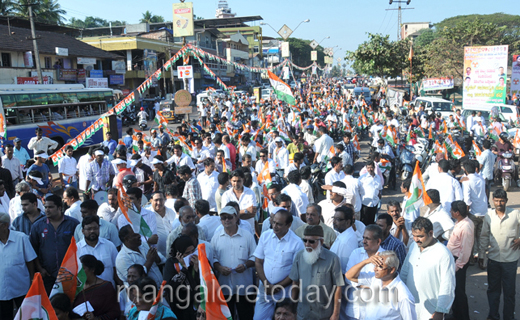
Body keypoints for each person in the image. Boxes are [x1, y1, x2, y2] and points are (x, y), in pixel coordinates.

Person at [253, 209, 305, 320]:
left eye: (279, 224)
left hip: (285, 292)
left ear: (289, 225)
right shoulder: (265, 236)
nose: (275, 226)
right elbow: (258, 261)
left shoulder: (297, 243)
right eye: (274, 222)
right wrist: (266, 284)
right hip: (265, 289)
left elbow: (296, 271)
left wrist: (278, 286)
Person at [401, 217, 456, 320]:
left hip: (431, 312)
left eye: (420, 236)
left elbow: (447, 285)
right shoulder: (413, 246)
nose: (416, 240)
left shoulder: (443, 254)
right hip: (411, 307)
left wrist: (440, 311)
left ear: (431, 233)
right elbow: (405, 271)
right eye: (414, 236)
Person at [478, 189, 520, 320]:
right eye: (496, 200)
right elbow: (484, 236)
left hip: (510, 261)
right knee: (493, 291)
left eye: (501, 200)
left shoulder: (515, 214)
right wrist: (481, 255)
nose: (499, 203)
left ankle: (508, 317)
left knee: (509, 292)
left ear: (506, 201)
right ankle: (493, 316)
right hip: (493, 259)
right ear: (493, 201)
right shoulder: (489, 216)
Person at [211, 205, 257, 319]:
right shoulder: (216, 237)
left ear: (236, 218)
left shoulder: (247, 236)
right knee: (227, 316)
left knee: (246, 316)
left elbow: (255, 256)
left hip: (244, 286)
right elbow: (213, 258)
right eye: (223, 218)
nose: (226, 220)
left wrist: (246, 266)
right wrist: (219, 268)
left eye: (229, 217)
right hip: (224, 286)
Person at [289, 225, 344, 320]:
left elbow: (338, 287)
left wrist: (336, 314)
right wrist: (292, 309)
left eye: (311, 241)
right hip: (303, 314)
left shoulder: (333, 259)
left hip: (323, 315)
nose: (307, 244)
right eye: (305, 240)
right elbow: (295, 283)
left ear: (321, 242)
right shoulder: (299, 256)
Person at [345, 250, 417, 320]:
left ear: (392, 270)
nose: (374, 269)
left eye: (379, 266)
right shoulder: (375, 279)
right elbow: (349, 276)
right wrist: (366, 261)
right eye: (374, 265)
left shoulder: (403, 295)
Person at [30, 194, 79, 294]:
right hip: (47, 274)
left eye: (51, 207)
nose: (47, 210)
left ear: (59, 208)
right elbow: (32, 250)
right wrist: (40, 268)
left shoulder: (73, 224)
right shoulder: (38, 226)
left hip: (69, 273)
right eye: (46, 207)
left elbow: (79, 247)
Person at [0, 212, 37, 320]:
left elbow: (30, 260)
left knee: (25, 315)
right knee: (4, 316)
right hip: (2, 288)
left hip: (21, 285)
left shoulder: (21, 238)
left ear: (5, 225)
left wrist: (31, 280)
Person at [344, 225, 385, 320]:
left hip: (375, 311)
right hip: (354, 310)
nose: (363, 241)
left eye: (368, 239)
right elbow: (348, 279)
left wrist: (358, 282)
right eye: (363, 238)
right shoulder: (356, 253)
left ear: (378, 241)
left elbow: (382, 285)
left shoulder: (385, 257)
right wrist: (366, 262)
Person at [447, 201, 474, 320]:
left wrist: (457, 266)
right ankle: (456, 314)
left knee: (459, 292)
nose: (450, 212)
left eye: (452, 210)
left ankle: (463, 317)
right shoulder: (460, 223)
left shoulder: (466, 226)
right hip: (455, 259)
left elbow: (466, 249)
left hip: (459, 261)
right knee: (454, 290)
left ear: (457, 213)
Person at [163, 235, 199, 319]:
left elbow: (207, 281)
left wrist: (198, 269)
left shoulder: (200, 260)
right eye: (187, 253)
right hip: (180, 307)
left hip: (198, 306)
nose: (191, 255)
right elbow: (169, 287)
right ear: (179, 253)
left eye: (193, 251)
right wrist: (184, 270)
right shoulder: (171, 263)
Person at [330, 206, 358, 274]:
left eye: (338, 219)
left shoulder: (347, 241)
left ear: (348, 222)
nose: (334, 222)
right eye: (334, 218)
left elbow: (344, 268)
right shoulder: (343, 235)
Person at [150, 192, 176, 258]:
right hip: (157, 256)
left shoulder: (171, 212)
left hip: (173, 253)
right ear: (151, 201)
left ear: (164, 200)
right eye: (156, 200)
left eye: (161, 200)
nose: (159, 203)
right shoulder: (148, 215)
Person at [358, 161, 382, 225]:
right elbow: (358, 189)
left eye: (371, 167)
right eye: (368, 168)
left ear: (374, 167)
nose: (369, 169)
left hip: (375, 203)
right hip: (365, 203)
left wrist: (379, 197)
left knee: (372, 221)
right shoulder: (362, 178)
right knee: (364, 221)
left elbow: (379, 189)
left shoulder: (378, 177)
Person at [477, 140, 495, 206]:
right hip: (490, 175)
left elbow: (480, 165)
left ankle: (484, 204)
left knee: (484, 191)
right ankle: (487, 203)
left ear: (483, 146)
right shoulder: (492, 154)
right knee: (488, 190)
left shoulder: (484, 154)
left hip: (484, 175)